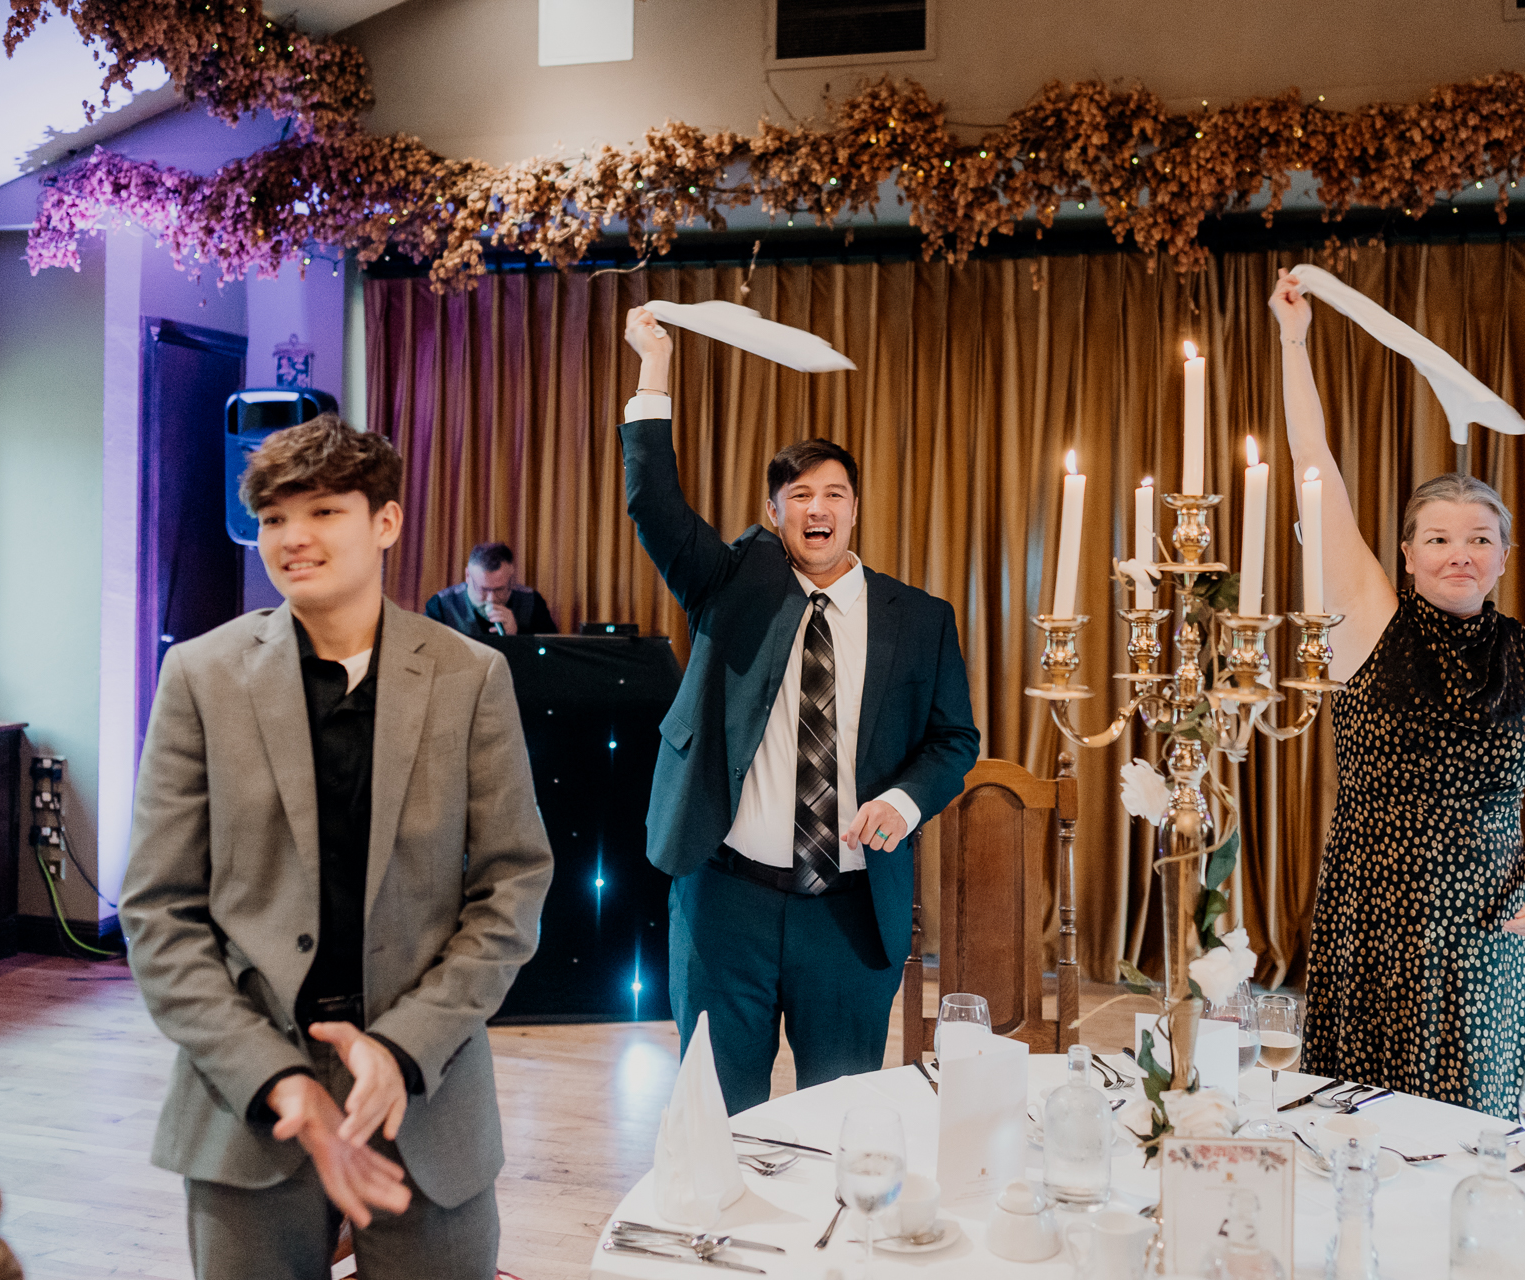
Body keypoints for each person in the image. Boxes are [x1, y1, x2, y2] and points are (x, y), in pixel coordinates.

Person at [120, 415, 555, 1280]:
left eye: (322, 511)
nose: (294, 538)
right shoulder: (201, 677)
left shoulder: (471, 675)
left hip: (425, 1089)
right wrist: (276, 1077)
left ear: (384, 522)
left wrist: (401, 1047)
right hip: (246, 1098)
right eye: (275, 518)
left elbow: (512, 889)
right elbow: (158, 911)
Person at [618, 305, 981, 1114]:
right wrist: (653, 369)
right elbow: (653, 502)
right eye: (800, 494)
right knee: (719, 1114)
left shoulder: (920, 619)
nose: (819, 508)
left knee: (839, 1119)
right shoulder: (732, 584)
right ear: (776, 510)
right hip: (726, 905)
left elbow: (955, 739)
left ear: (855, 509)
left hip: (849, 916)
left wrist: (904, 798)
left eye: (835, 494)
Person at [1270, 269, 1525, 1119]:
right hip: (1369, 921)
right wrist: (1295, 343)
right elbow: (1316, 468)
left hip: (1489, 931)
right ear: (1407, 552)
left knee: (1481, 1137)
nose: (1462, 552)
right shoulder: (1368, 622)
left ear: (1503, 557)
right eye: (1440, 537)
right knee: (1359, 1134)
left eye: (1481, 538)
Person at [424, 542, 558, 637]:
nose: (491, 598)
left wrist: (517, 637)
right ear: (468, 576)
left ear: (511, 577)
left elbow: (551, 660)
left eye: (499, 589)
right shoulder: (441, 605)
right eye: (483, 589)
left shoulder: (531, 602)